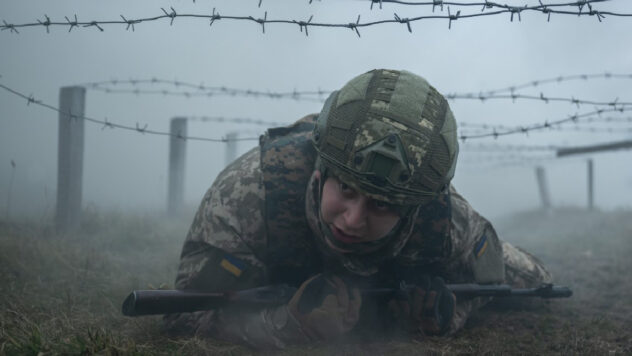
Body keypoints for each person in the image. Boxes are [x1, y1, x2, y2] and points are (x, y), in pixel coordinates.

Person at [164, 69, 552, 349]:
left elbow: (493, 282)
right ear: (321, 173)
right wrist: (286, 326)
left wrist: (445, 314)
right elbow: (184, 312)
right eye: (346, 189)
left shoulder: (447, 221)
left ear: (414, 209)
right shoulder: (247, 197)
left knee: (537, 285)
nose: (352, 219)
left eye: (382, 205)